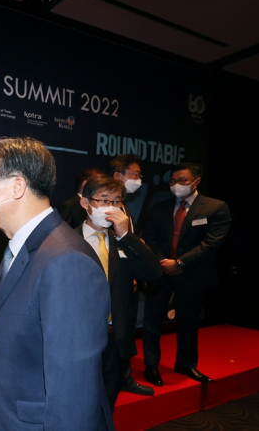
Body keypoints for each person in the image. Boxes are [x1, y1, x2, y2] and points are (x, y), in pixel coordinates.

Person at [0, 137, 114, 431]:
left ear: (16, 186)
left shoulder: (65, 261)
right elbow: (7, 317)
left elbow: (73, 389)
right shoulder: (22, 245)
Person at [76, 176, 162, 411]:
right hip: (78, 339)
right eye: (104, 201)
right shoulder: (68, 240)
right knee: (78, 405)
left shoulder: (125, 242)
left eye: (116, 202)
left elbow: (153, 274)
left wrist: (126, 235)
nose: (111, 208)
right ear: (86, 204)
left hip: (115, 339)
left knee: (107, 404)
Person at [141, 162, 231, 386]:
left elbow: (211, 243)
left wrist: (180, 262)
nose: (177, 185)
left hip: (193, 274)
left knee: (189, 323)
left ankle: (186, 364)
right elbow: (149, 238)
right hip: (160, 273)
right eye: (173, 181)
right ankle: (151, 365)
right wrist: (164, 262)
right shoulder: (158, 208)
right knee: (152, 322)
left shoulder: (216, 207)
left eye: (183, 180)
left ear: (196, 181)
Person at [110, 154, 156, 396]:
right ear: (118, 176)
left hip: (128, 278)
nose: (138, 179)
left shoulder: (125, 205)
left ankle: (124, 377)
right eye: (134, 174)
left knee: (126, 328)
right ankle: (115, 378)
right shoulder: (106, 206)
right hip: (111, 281)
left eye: (139, 175)